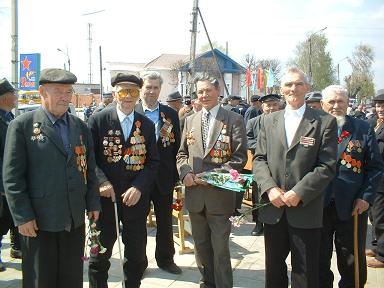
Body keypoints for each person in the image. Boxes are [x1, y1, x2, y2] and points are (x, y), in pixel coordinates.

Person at [3, 68, 101, 287]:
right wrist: (22, 216)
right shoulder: (22, 126)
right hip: (38, 222)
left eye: (69, 91)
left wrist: (93, 202)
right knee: (41, 280)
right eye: (58, 91)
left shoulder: (80, 126)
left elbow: (89, 168)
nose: (65, 97)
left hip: (73, 219)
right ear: (42, 92)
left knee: (71, 278)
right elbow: (12, 177)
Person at [253, 67, 338, 288]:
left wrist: (299, 192)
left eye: (299, 84)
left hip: (305, 209)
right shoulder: (268, 121)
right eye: (289, 84)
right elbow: (259, 159)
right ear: (281, 89)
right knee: (274, 270)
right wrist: (270, 188)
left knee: (305, 271)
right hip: (274, 208)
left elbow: (327, 165)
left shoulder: (324, 121)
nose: (293, 88)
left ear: (307, 88)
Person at [87, 73, 160, 287]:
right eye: (123, 91)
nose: (128, 96)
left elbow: (152, 161)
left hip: (135, 201)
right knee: (99, 254)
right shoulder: (98, 120)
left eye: (133, 91)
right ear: (114, 93)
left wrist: (139, 187)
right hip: (104, 202)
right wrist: (101, 181)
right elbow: (88, 158)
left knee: (136, 256)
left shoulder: (145, 124)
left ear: (138, 95)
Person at [176, 74, 247, 287]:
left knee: (221, 249)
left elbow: (240, 157)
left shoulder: (233, 119)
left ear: (218, 92)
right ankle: (206, 282)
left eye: (208, 90)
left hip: (220, 196)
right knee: (200, 245)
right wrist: (185, 173)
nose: (204, 95)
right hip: (195, 195)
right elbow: (181, 154)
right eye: (200, 92)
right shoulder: (190, 120)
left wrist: (213, 177)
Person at [319, 85, 383, 287]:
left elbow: (375, 168)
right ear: (322, 104)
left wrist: (366, 197)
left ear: (348, 104)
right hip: (317, 203)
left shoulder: (362, 129)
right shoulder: (312, 127)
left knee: (351, 257)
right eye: (331, 101)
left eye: (340, 101)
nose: (336, 106)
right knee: (319, 256)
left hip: (353, 205)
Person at [135, 71, 182, 274]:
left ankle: (166, 259)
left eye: (155, 87)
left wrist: (176, 176)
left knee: (165, 221)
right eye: (148, 87)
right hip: (137, 179)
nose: (152, 91)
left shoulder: (169, 114)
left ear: (160, 90)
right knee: (136, 224)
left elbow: (177, 146)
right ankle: (138, 262)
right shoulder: (133, 111)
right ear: (141, 89)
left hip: (163, 177)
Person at [246, 93, 281, 236]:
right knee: (257, 196)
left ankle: (277, 222)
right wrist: (264, 147)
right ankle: (258, 223)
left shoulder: (285, 121)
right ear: (262, 106)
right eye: (268, 105)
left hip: (279, 166)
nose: (271, 108)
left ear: (279, 105)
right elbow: (247, 140)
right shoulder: (253, 122)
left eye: (274, 105)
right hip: (260, 164)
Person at [0, 78, 20, 272]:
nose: (16, 97)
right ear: (5, 97)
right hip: (2, 185)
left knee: (10, 219)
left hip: (9, 183)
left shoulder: (9, 117)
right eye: (14, 94)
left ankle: (16, 247)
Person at [366, 92, 384, 268]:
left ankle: (383, 256)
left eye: (383, 106)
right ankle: (376, 246)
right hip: (375, 177)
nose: (380, 109)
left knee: (380, 217)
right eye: (378, 106)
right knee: (373, 215)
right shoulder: (375, 123)